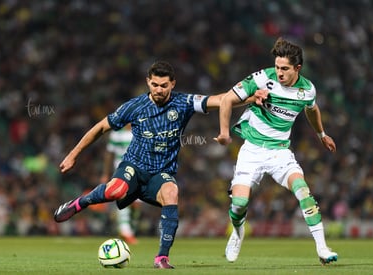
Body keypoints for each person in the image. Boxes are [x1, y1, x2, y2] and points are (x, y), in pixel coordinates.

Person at [53, 60, 253, 269]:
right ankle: (79, 203)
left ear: (172, 84)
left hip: (160, 173)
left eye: (164, 85)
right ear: (148, 82)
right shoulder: (134, 106)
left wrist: (250, 98)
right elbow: (101, 127)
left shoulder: (184, 102)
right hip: (134, 166)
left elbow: (221, 99)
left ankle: (161, 258)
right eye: (155, 84)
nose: (159, 89)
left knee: (171, 192)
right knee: (115, 191)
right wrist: (73, 155)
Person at [215, 37, 338, 265]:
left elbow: (312, 109)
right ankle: (238, 231)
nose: (279, 72)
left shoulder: (307, 90)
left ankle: (322, 247)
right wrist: (224, 132)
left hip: (280, 152)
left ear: (297, 68)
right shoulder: (263, 78)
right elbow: (227, 99)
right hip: (252, 150)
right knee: (239, 204)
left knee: (302, 190)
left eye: (284, 69)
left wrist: (322, 134)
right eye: (277, 67)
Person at [100, 124, 140, 245]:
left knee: (136, 205)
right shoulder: (116, 134)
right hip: (121, 170)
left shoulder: (139, 131)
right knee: (123, 197)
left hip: (138, 171)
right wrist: (106, 174)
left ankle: (129, 230)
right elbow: (109, 154)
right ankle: (125, 230)